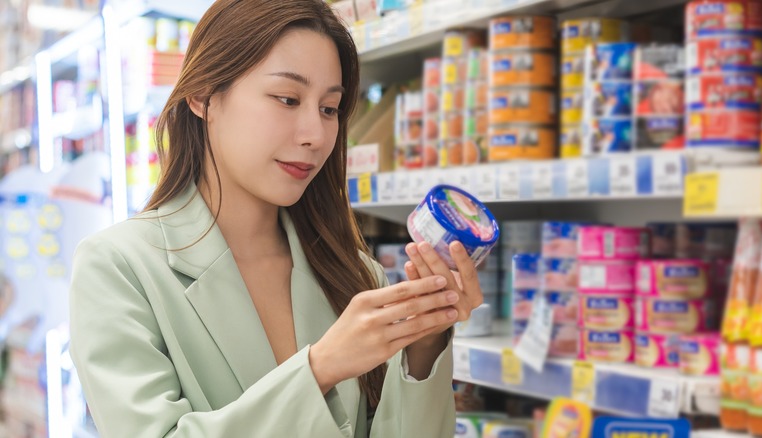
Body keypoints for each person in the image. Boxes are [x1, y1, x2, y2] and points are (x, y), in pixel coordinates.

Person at [68, 0, 484, 436]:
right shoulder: (118, 268)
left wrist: (424, 345)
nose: (316, 135)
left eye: (329, 109)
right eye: (287, 99)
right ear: (202, 94)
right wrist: (319, 368)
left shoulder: (355, 273)